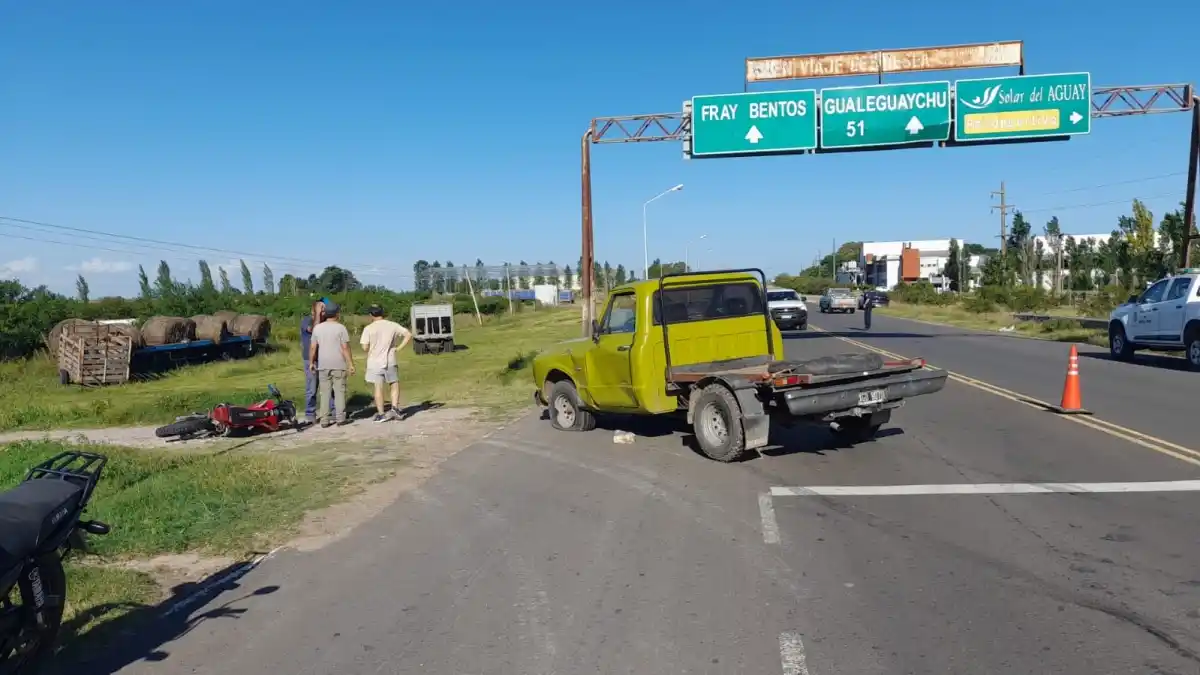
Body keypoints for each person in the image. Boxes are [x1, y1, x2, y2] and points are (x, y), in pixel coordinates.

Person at [359, 304, 412, 422]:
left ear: (371, 315)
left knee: (378, 387)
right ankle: (395, 408)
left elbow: (364, 347)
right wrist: (398, 348)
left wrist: (371, 349)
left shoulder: (369, 328)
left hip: (375, 362)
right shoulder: (392, 325)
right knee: (394, 383)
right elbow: (408, 334)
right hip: (390, 359)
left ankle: (381, 413)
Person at [308, 301, 355, 427]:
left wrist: (311, 362)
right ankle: (340, 418)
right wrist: (350, 364)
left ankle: (324, 420)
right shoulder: (341, 328)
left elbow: (313, 347)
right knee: (339, 391)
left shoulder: (318, 328)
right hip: (338, 364)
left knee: (324, 392)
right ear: (337, 314)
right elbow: (345, 347)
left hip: (323, 365)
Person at [299, 298, 335, 423]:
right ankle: (310, 413)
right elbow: (314, 331)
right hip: (311, 359)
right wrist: (318, 314)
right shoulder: (306, 321)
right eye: (321, 309)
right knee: (312, 388)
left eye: (324, 309)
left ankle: (333, 411)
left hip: (326, 358)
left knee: (330, 386)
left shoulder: (327, 322)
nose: (323, 311)